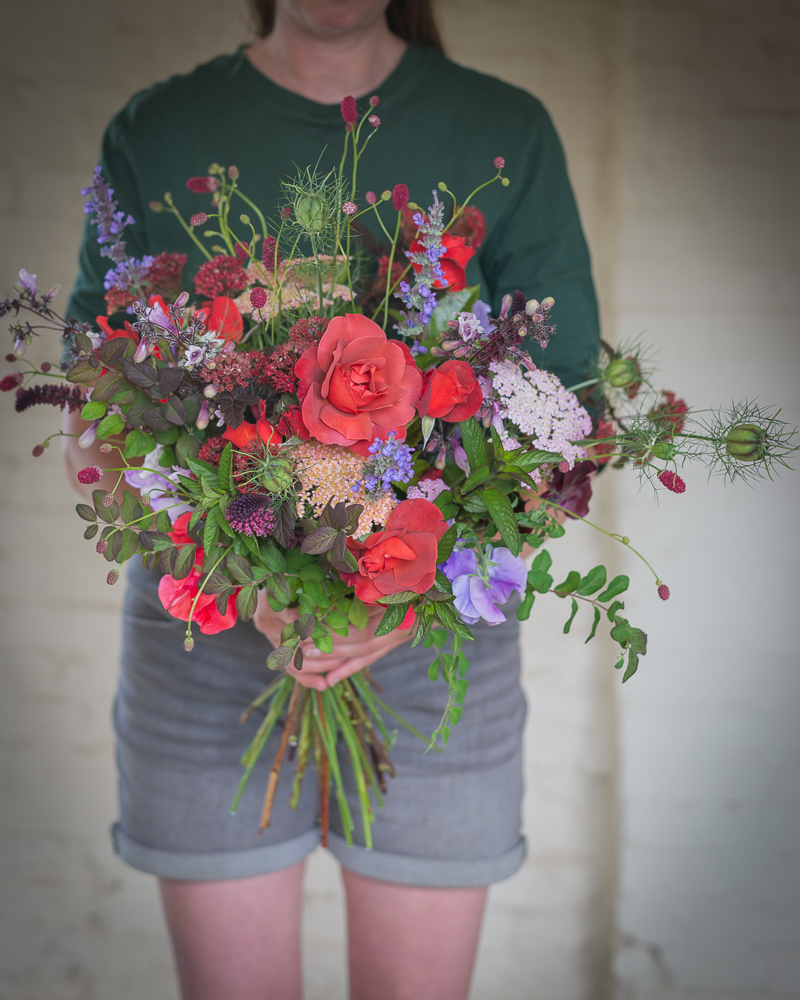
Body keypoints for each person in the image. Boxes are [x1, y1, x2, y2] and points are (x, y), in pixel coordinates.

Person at [63, 1, 600, 997]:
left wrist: (401, 591)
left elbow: (564, 420)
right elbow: (96, 415)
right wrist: (237, 567)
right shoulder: (157, 130)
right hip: (208, 629)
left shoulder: (503, 130)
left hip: (436, 641)